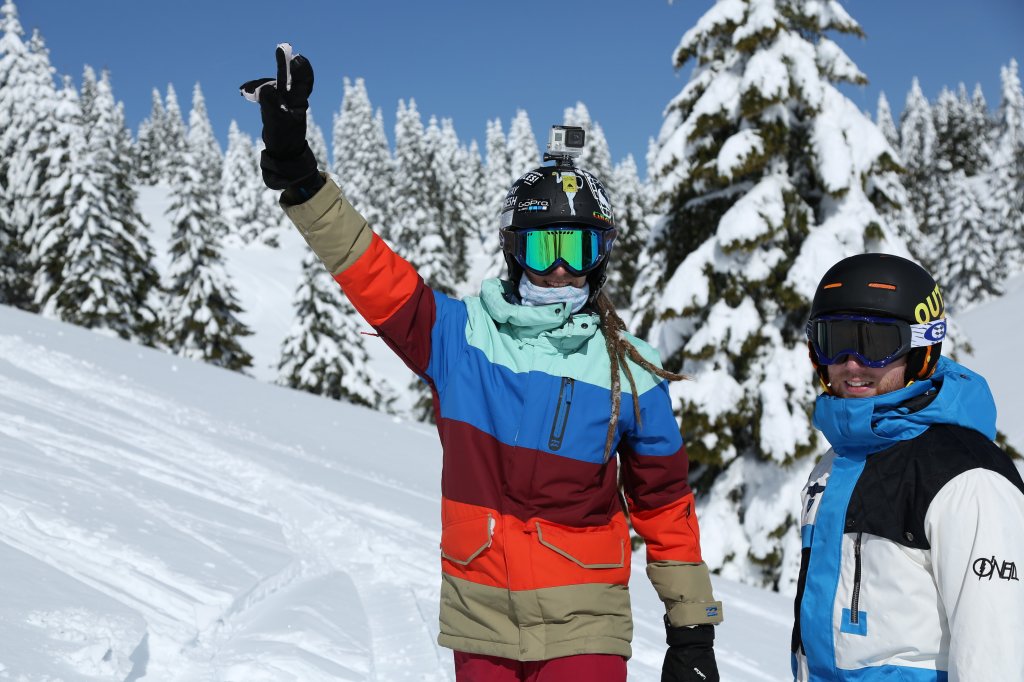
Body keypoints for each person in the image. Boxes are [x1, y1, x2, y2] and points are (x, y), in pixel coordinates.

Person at [241, 45, 723, 682]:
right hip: (481, 623)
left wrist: (691, 632)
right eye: (544, 243)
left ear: (599, 256)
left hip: (586, 624)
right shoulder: (459, 339)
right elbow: (370, 273)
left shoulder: (629, 371)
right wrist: (300, 175)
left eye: (577, 246)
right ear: (514, 249)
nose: (559, 265)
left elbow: (663, 504)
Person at [792, 253, 1024, 681]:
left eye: (875, 344)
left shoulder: (967, 477)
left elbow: (996, 658)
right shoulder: (836, 464)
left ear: (920, 348)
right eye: (834, 339)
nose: (851, 363)